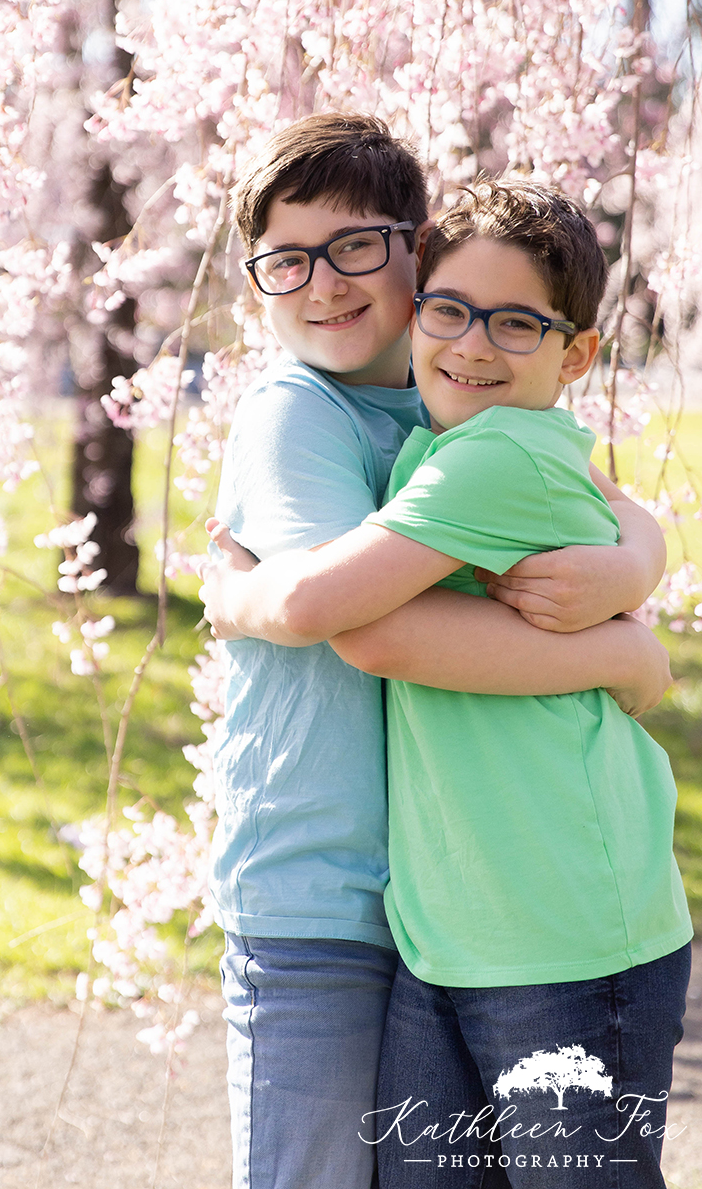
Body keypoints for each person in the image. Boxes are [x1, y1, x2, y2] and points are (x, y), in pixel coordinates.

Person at [199, 113, 672, 1189]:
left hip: (442, 900)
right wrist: (239, 596)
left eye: (356, 246)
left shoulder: (451, 406)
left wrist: (628, 575)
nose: (323, 282)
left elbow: (604, 497)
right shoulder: (297, 413)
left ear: (414, 249)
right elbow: (353, 619)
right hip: (319, 886)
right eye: (286, 260)